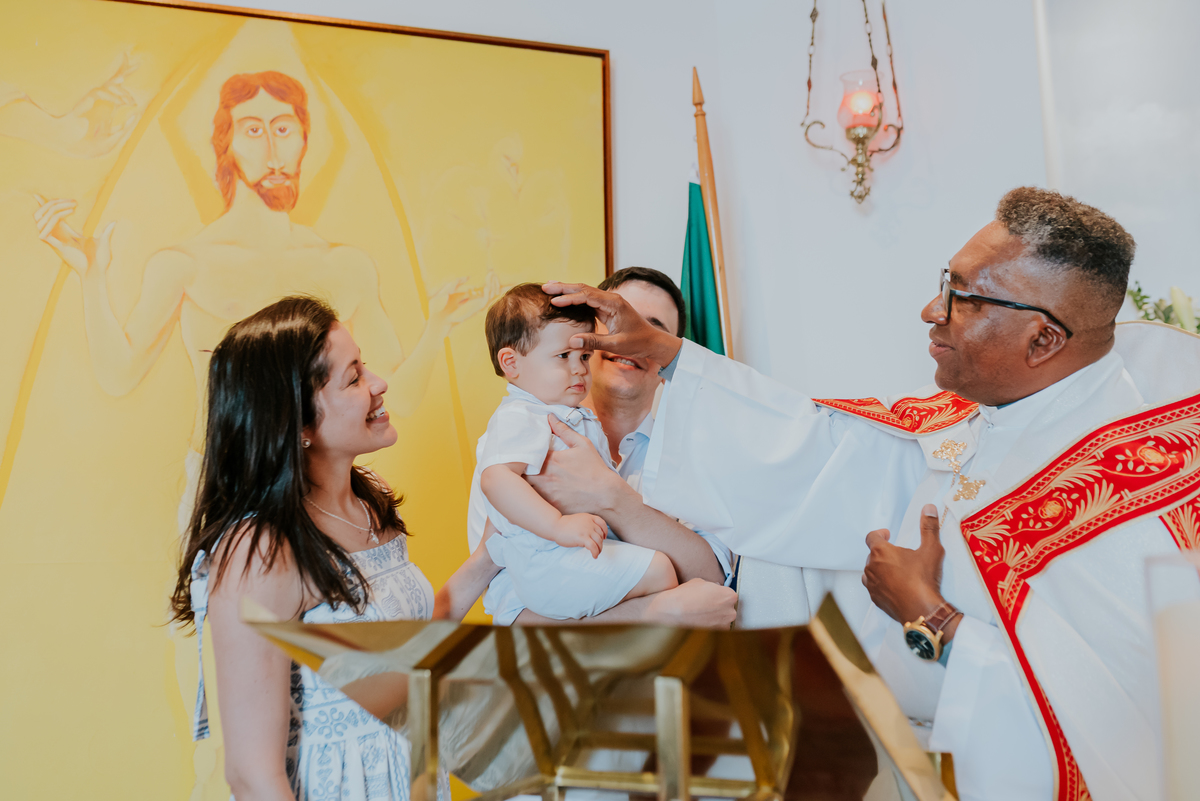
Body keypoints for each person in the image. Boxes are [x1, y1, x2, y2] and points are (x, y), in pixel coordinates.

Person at [545, 188, 1200, 801]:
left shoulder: (1139, 494)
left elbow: (1114, 725)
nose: (930, 310)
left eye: (964, 297)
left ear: (1045, 338)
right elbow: (818, 455)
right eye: (946, 281)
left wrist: (928, 615)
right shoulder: (982, 414)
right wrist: (668, 353)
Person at [32, 70, 492, 526]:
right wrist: (92, 276)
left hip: (329, 488)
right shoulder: (185, 263)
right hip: (229, 486)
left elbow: (400, 397)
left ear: (304, 140)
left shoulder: (344, 265)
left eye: (283, 128)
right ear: (225, 146)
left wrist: (438, 327)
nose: (273, 149)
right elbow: (118, 373)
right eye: (252, 130)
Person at [170, 296, 489, 801]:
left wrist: (491, 555)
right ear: (296, 424)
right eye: (355, 377)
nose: (379, 384)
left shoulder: (369, 498)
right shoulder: (260, 551)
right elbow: (253, 778)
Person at [476, 268, 736, 628]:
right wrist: (651, 615)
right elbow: (512, 614)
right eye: (619, 321)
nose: (630, 340)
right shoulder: (513, 441)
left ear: (667, 362)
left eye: (652, 331)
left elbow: (717, 585)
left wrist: (613, 497)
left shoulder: (698, 459)